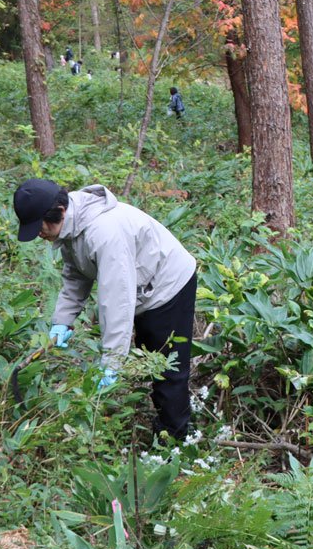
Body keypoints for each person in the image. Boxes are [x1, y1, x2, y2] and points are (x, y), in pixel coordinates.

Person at [14, 179, 197, 440]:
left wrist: (111, 362)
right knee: (149, 356)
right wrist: (61, 322)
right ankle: (166, 425)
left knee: (168, 369)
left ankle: (177, 443)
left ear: (59, 212)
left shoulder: (104, 233)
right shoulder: (73, 224)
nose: (39, 235)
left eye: (39, 227)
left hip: (168, 286)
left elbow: (117, 302)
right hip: (143, 287)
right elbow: (75, 276)